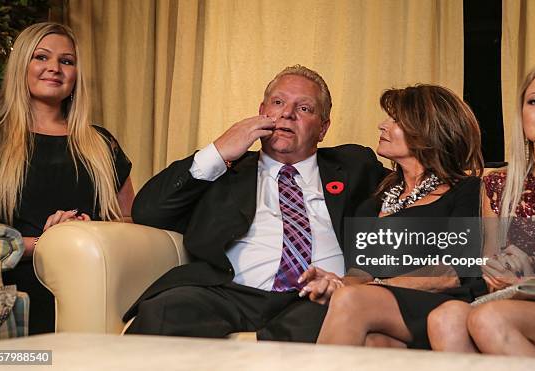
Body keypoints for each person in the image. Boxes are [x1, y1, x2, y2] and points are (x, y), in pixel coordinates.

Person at [124, 65, 386, 341]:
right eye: (278, 102)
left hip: (316, 297)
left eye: (305, 108)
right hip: (230, 292)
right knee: (166, 310)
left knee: (323, 319)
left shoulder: (355, 166)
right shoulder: (225, 168)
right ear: (262, 111)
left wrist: (352, 281)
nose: (287, 113)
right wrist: (219, 150)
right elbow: (148, 212)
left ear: (323, 128)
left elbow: (418, 192)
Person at [427, 60, 535, 358]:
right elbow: (494, 281)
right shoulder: (497, 186)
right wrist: (506, 276)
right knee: (445, 317)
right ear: (522, 114)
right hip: (517, 310)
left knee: (491, 318)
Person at [300, 84, 486, 349]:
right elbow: (360, 272)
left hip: (446, 304)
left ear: (428, 130)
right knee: (373, 342)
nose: (382, 125)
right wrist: (334, 283)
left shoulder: (466, 190)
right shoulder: (373, 203)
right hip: (389, 310)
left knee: (352, 301)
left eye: (396, 120)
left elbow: (452, 271)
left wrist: (372, 288)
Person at [0, 22, 134, 334]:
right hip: (14, 290)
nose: (54, 68)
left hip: (95, 287)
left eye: (66, 61)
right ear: (20, 66)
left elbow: (130, 223)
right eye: (41, 57)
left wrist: (89, 234)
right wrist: (48, 244)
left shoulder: (102, 144)